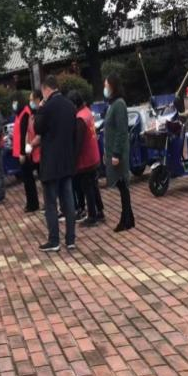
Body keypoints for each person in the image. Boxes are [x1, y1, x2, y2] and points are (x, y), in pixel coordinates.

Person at [34, 76, 77, 252]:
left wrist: (39, 109)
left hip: (51, 163)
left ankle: (54, 240)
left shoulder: (47, 107)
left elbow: (38, 128)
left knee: (51, 203)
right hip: (67, 161)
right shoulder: (70, 106)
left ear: (46, 89)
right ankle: (71, 239)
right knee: (68, 201)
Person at [68, 90, 105, 227]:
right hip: (94, 155)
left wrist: (73, 160)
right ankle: (100, 211)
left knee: (87, 187)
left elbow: (78, 143)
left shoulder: (80, 119)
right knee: (93, 185)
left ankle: (92, 216)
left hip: (86, 159)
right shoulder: (87, 112)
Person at [104, 74, 135, 232]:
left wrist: (116, 154)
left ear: (113, 86)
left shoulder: (119, 104)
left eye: (106, 86)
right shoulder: (112, 104)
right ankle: (128, 218)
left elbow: (122, 131)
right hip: (113, 151)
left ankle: (126, 219)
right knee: (122, 186)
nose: (105, 89)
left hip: (119, 153)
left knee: (123, 185)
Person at [12, 91, 39, 212]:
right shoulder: (19, 114)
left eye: (15, 102)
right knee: (26, 179)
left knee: (28, 179)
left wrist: (22, 153)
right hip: (20, 151)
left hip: (25, 152)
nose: (13, 104)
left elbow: (24, 134)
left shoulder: (25, 114)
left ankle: (33, 204)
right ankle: (30, 203)